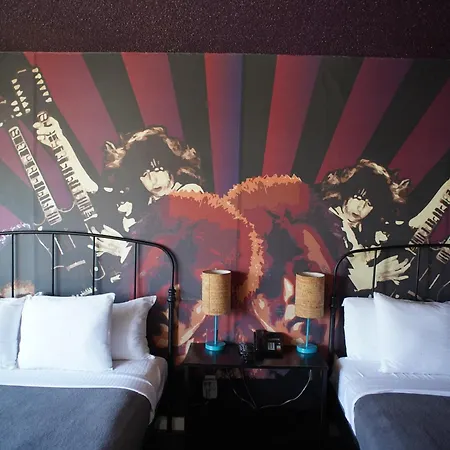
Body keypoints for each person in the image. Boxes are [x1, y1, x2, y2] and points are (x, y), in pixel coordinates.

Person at [103, 127, 204, 232]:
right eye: (144, 174)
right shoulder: (141, 206)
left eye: (158, 169)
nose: (153, 179)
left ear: (171, 165)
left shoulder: (190, 191)